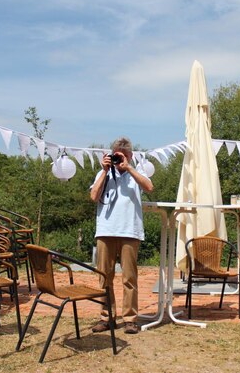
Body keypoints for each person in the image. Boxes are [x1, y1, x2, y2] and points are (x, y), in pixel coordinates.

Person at [89, 137, 153, 334]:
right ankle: (106, 317)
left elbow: (149, 188)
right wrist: (106, 171)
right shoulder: (103, 173)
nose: (120, 159)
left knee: (129, 278)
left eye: (124, 155)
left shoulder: (137, 172)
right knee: (104, 277)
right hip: (106, 231)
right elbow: (93, 197)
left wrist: (129, 168)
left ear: (131, 156)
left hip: (129, 231)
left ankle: (130, 319)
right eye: (117, 155)